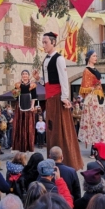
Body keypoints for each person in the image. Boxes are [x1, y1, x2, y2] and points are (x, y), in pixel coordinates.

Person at [32, 31, 83, 170]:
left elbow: (64, 80)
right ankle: (53, 158)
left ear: (53, 43)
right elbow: (47, 82)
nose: (43, 45)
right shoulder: (45, 60)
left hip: (58, 98)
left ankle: (67, 161)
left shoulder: (59, 59)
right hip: (50, 99)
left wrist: (64, 98)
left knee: (61, 129)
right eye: (42, 42)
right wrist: (38, 79)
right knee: (51, 129)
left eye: (45, 42)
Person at [78, 50, 105, 153]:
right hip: (92, 98)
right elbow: (84, 88)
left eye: (96, 56)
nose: (96, 57)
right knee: (94, 123)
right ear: (89, 57)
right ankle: (94, 148)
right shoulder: (87, 70)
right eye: (94, 56)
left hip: (99, 97)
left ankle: (100, 147)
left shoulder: (95, 69)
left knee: (100, 122)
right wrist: (94, 86)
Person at [12, 70, 37, 152]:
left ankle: (29, 145)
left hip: (29, 106)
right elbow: (15, 97)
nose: (24, 75)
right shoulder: (17, 84)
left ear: (29, 75)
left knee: (29, 125)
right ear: (21, 75)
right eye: (23, 74)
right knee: (20, 125)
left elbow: (34, 97)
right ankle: (19, 145)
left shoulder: (33, 85)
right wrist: (15, 92)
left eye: (26, 74)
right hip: (20, 106)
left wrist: (33, 106)